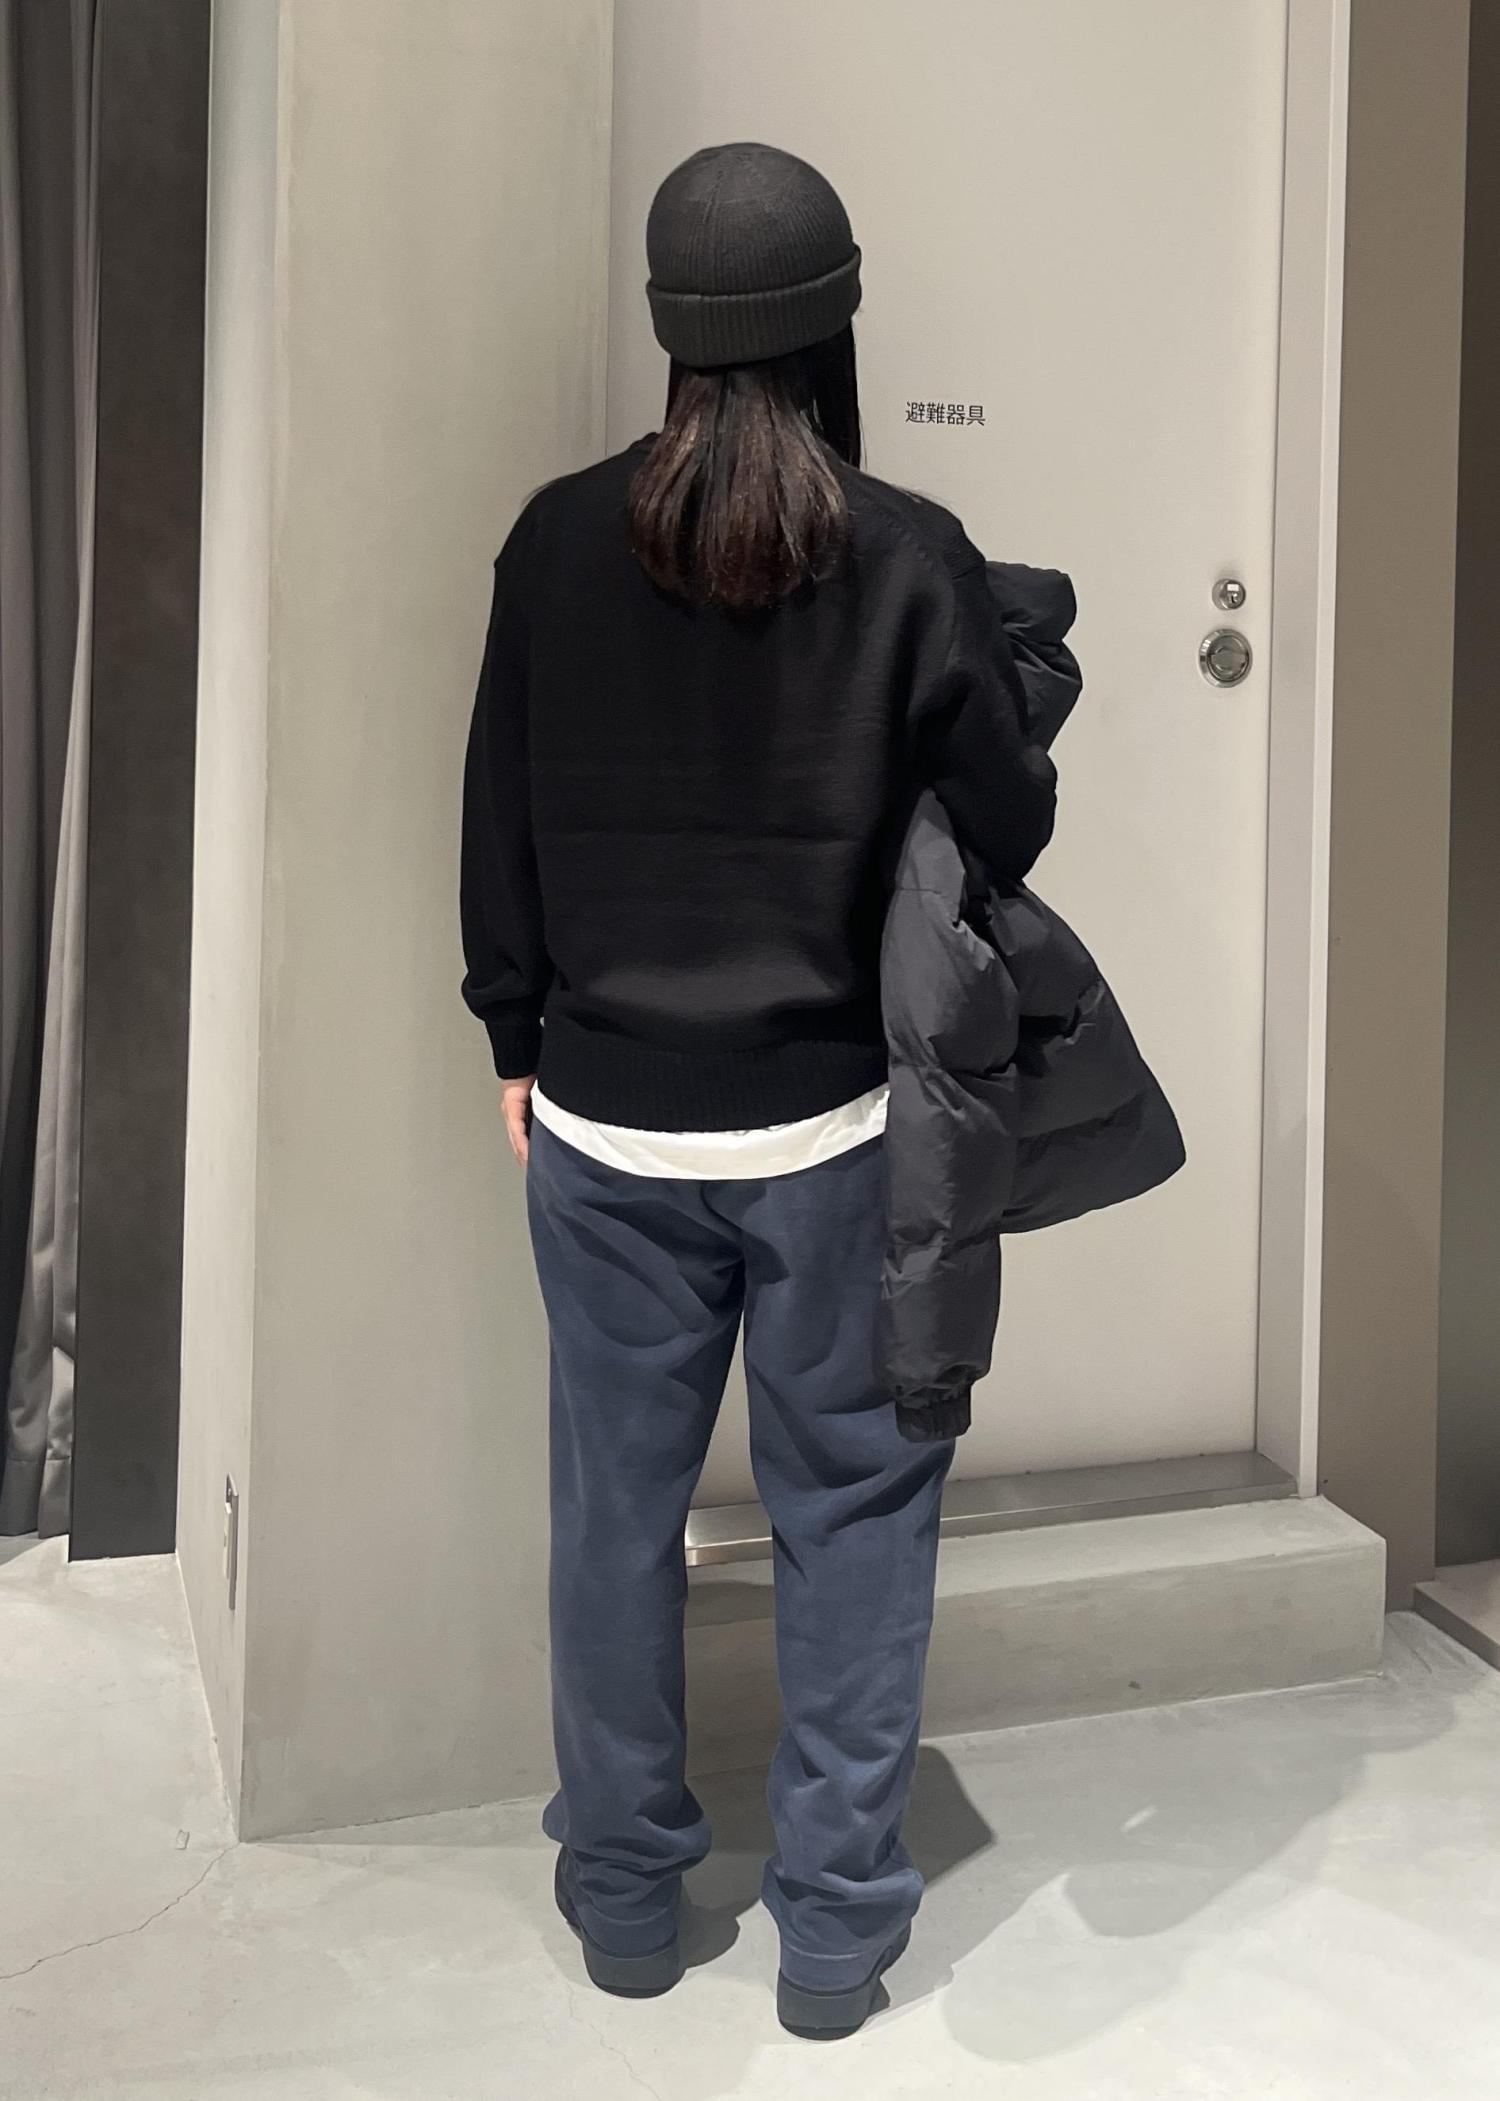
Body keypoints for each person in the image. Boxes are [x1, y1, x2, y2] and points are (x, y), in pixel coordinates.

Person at [460, 141, 1057, 2040]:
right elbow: (1006, 823)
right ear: (834, 320)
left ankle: (628, 1905)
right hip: (834, 1139)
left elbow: (496, 819)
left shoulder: (556, 540)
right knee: (855, 1519)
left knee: (612, 1520)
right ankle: (834, 1940)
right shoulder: (907, 551)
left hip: (604, 1128)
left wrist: (515, 1038)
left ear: (669, 326)